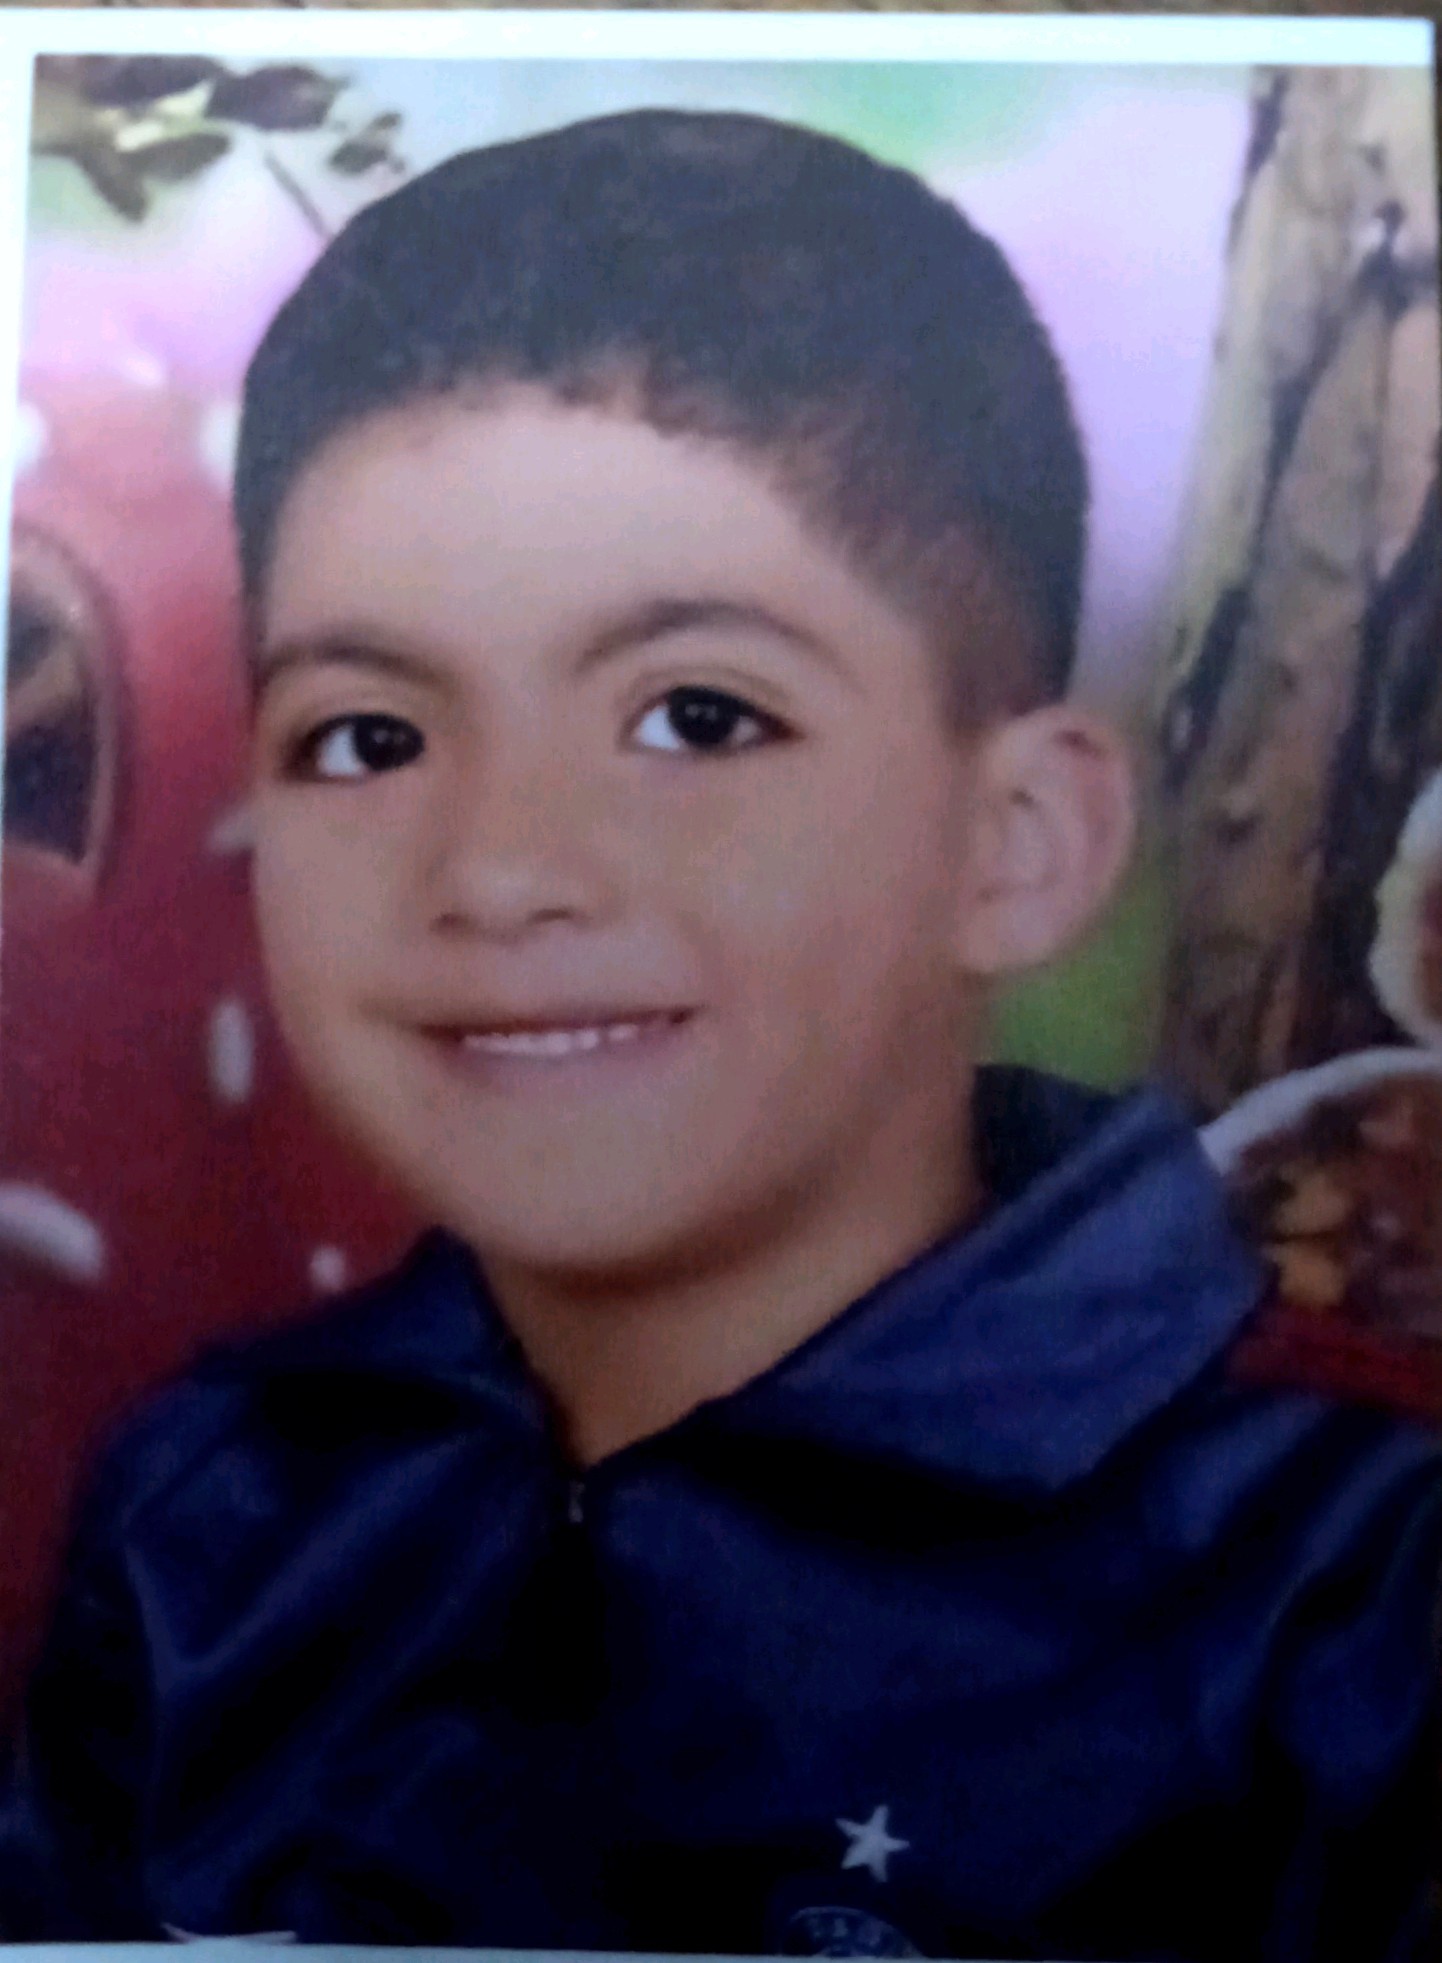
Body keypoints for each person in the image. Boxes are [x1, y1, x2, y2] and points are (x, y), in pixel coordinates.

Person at [1, 109, 1437, 1960]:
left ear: (1014, 842)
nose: (500, 869)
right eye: (369, 737)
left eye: (695, 717)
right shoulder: (214, 1516)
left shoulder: (1340, 1598)